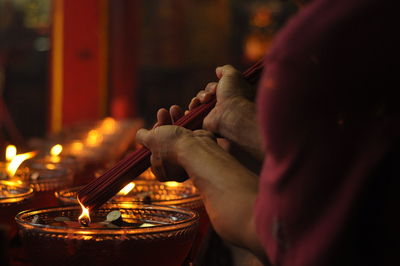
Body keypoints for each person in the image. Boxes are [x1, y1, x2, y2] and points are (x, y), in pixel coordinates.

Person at [136, 0, 400, 265]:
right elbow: (333, 166)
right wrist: (232, 114)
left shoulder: (321, 43)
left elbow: (279, 231)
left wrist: (186, 149)